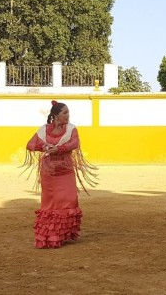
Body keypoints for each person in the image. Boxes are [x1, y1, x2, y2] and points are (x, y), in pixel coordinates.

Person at [22, 100, 97, 248]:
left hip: (65, 170)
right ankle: (50, 236)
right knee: (50, 204)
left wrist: (59, 149)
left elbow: (74, 144)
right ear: (56, 116)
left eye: (68, 112)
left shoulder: (71, 129)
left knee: (68, 199)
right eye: (65, 112)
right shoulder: (43, 130)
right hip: (49, 172)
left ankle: (62, 234)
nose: (68, 115)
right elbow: (29, 145)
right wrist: (43, 146)